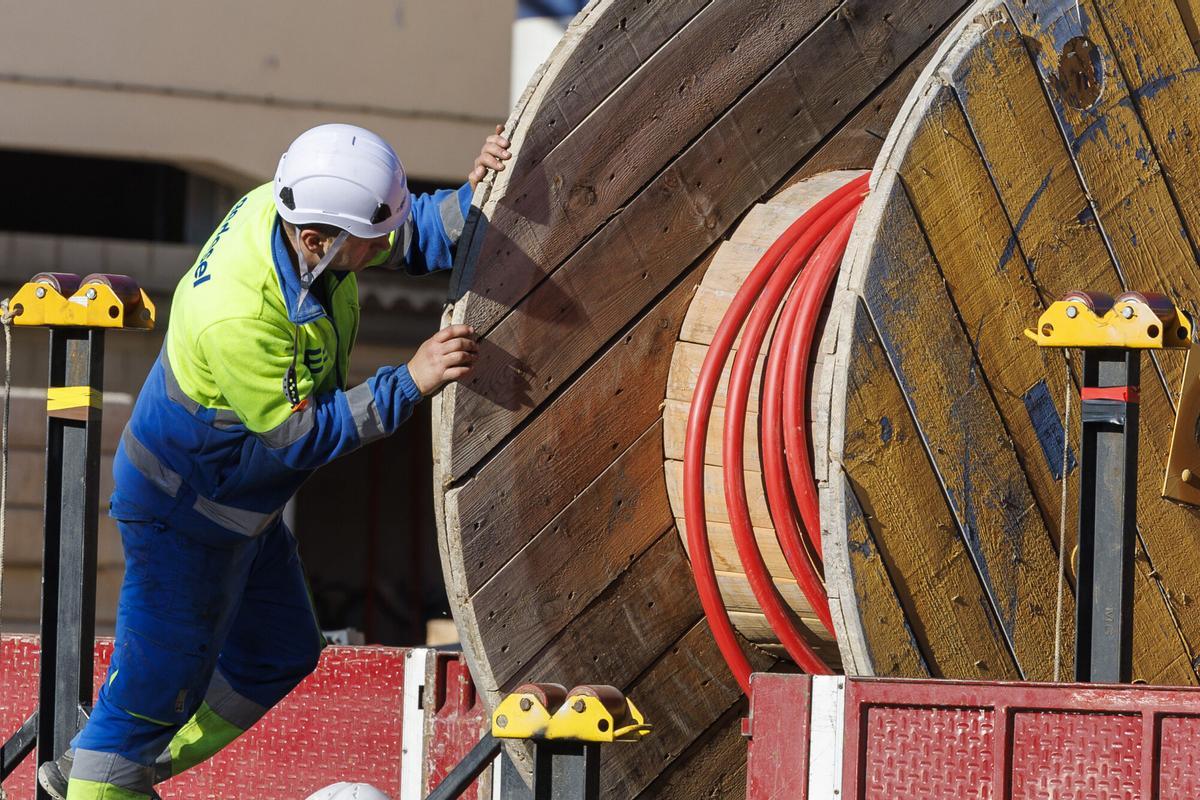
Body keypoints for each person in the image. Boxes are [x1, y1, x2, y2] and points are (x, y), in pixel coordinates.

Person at [38, 122, 512, 800]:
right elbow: (300, 436)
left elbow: (405, 235)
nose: (380, 250)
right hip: (182, 516)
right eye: (369, 241)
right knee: (145, 701)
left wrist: (475, 198)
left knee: (279, 651)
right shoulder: (240, 312)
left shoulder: (302, 215)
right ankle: (106, 772)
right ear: (316, 240)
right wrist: (409, 381)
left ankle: (120, 765)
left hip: (238, 507)